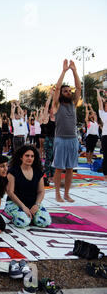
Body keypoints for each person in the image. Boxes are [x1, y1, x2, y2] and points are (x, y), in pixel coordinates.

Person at [52, 59, 82, 203]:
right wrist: (64, 71)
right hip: (60, 139)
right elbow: (57, 89)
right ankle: (57, 193)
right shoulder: (57, 105)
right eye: (66, 91)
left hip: (73, 139)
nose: (68, 92)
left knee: (70, 168)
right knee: (59, 168)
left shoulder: (73, 104)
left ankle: (67, 193)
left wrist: (75, 71)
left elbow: (79, 88)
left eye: (69, 91)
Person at [5, 145, 52, 228]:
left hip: (32, 203)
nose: (30, 158)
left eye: (32, 156)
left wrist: (36, 205)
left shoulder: (38, 171)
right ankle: (19, 215)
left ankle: (31, 215)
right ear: (21, 157)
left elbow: (41, 191)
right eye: (27, 155)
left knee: (44, 222)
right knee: (23, 222)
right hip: (15, 203)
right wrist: (23, 207)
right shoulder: (13, 171)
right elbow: (10, 192)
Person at [95, 88, 107, 182]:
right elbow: (99, 101)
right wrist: (98, 93)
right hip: (105, 137)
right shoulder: (102, 113)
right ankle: (106, 175)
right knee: (106, 156)